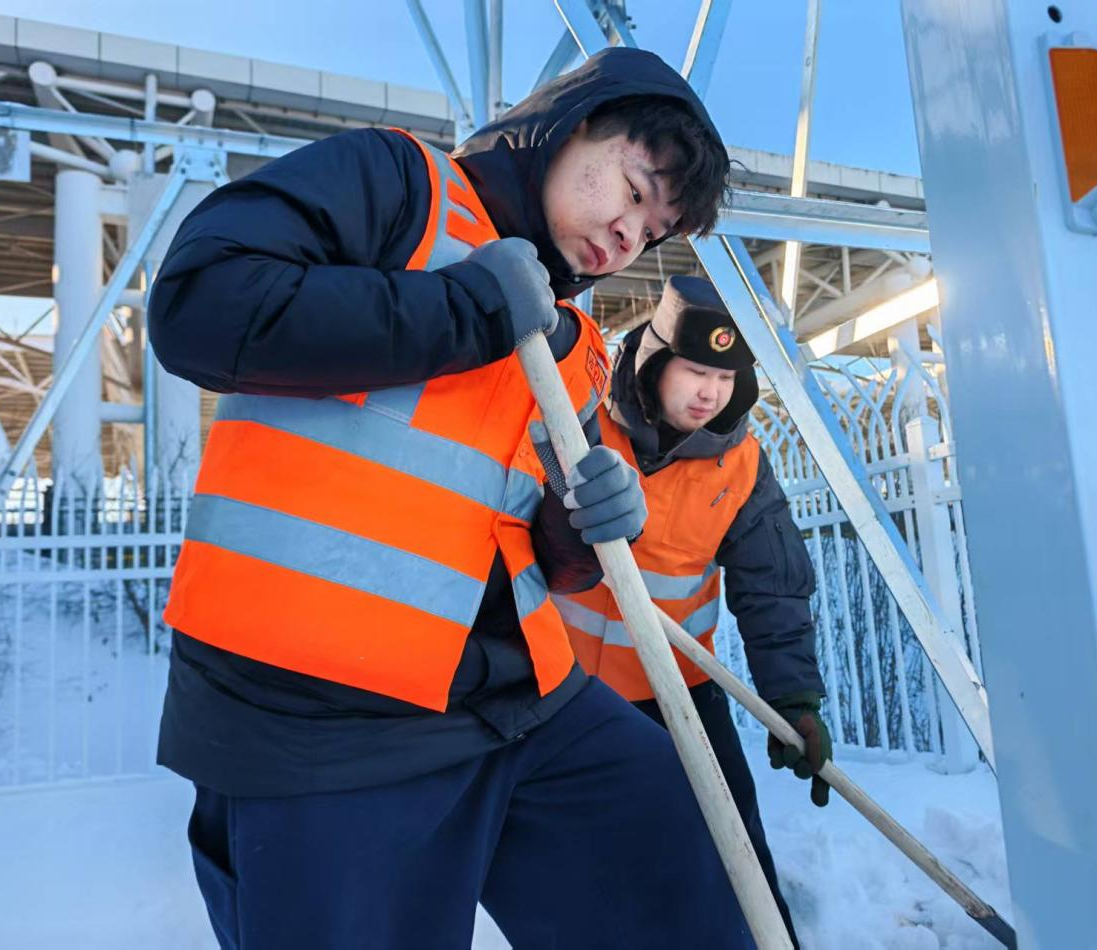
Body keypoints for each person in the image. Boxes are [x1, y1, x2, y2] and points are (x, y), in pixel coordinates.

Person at [147, 48, 752, 948]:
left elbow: (519, 545)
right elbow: (200, 304)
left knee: (676, 859)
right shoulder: (397, 185)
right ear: (569, 125)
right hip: (322, 720)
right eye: (631, 191)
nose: (628, 237)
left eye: (652, 231)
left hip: (523, 702)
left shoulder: (573, 342)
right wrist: (466, 310)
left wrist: (578, 530)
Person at [555, 275, 832, 949]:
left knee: (731, 852)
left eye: (725, 377)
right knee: (582, 867)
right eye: (696, 371)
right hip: (560, 691)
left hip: (679, 694)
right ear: (655, 364)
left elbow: (772, 588)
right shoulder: (577, 424)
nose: (710, 392)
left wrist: (792, 698)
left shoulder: (741, 465)